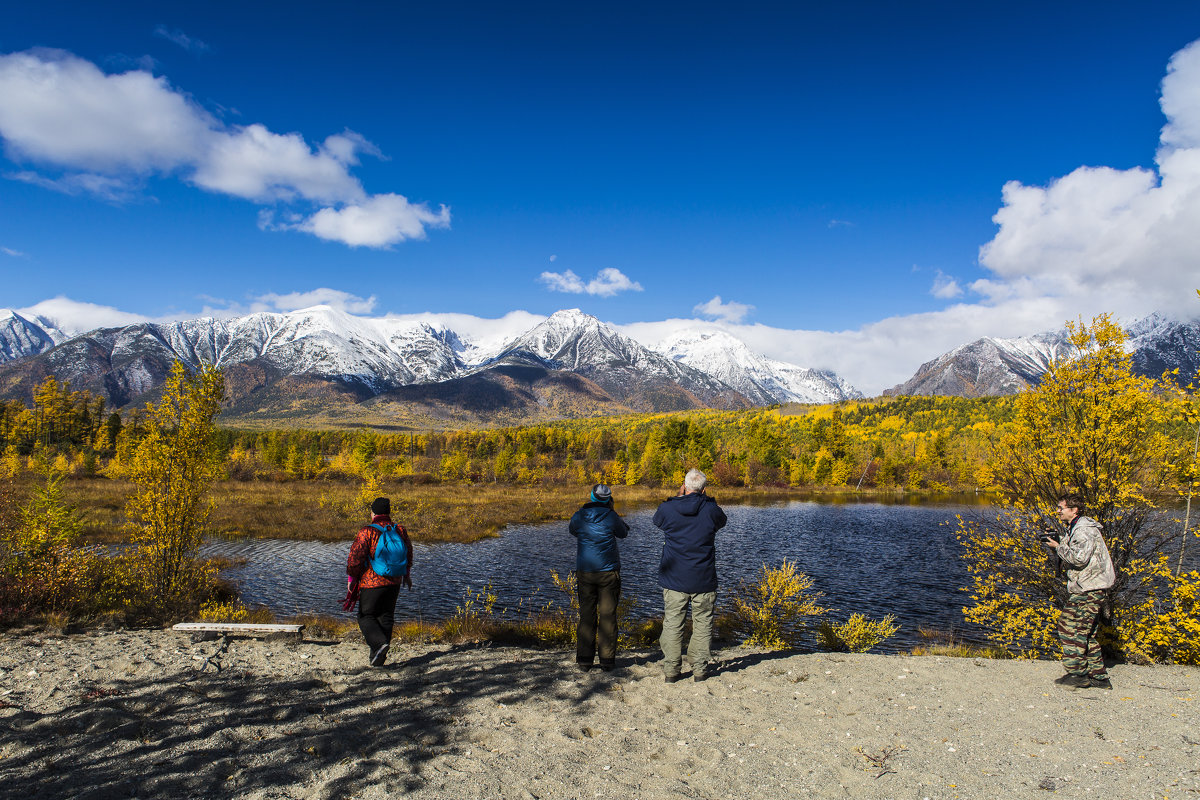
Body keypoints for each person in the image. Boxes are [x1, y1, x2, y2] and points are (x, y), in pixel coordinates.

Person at [652, 468, 727, 683]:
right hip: (703, 578)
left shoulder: (668, 508)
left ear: (684, 487)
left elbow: (657, 520)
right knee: (703, 623)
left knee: (673, 624)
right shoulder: (711, 510)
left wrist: (677, 498)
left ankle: (671, 671)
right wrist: (707, 500)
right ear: (704, 489)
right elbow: (722, 521)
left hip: (674, 578)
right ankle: (700, 669)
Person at [1044, 493, 1115, 690]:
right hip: (1089, 585)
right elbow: (1075, 553)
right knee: (1086, 632)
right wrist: (1058, 541)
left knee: (1069, 626)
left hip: (1089, 587)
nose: (1058, 511)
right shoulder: (1076, 527)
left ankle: (1078, 675)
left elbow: (1079, 559)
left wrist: (1058, 547)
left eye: (1061, 508)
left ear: (1074, 510)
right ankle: (1098, 677)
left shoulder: (1083, 530)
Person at [569, 483, 630, 672]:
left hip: (585, 572)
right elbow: (624, 533)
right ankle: (607, 661)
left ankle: (585, 661)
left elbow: (572, 530)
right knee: (608, 616)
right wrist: (612, 512)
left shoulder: (580, 515)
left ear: (592, 496)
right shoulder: (611, 516)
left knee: (587, 615)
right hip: (608, 573)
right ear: (608, 499)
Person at [347, 497, 413, 667]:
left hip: (372, 581)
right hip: (395, 581)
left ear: (373, 513)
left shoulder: (367, 531)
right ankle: (378, 659)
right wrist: (406, 574)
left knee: (365, 615)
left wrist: (352, 579)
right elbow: (408, 553)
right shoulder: (399, 529)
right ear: (388, 513)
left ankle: (378, 645)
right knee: (386, 616)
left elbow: (355, 558)